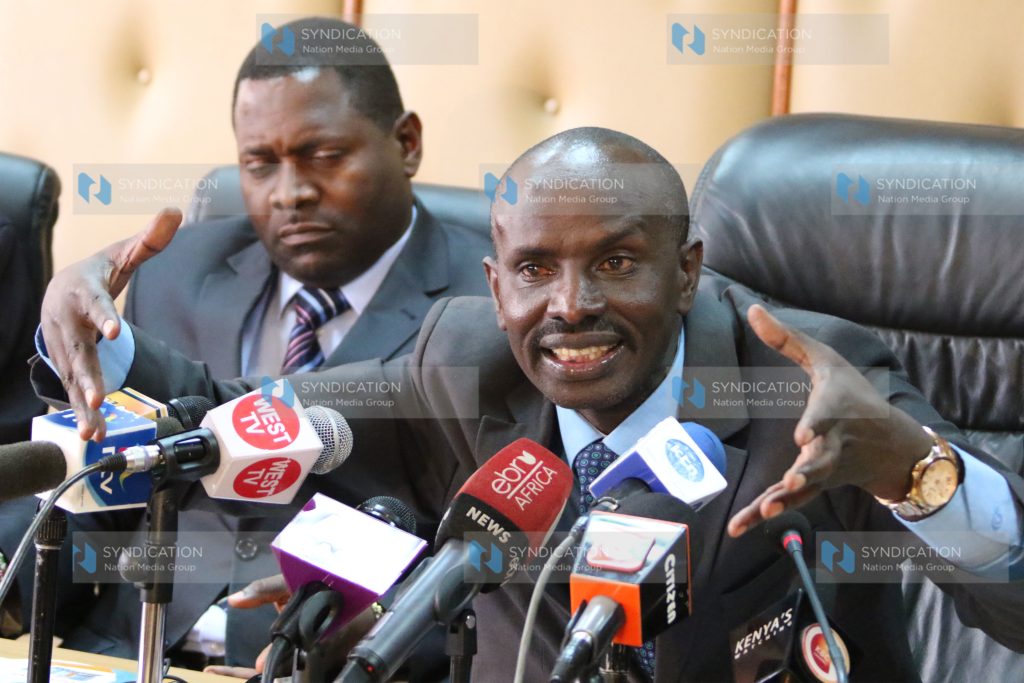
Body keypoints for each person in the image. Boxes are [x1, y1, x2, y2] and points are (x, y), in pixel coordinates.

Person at [33, 127, 1024, 681]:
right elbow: (241, 416)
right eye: (535, 269)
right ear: (494, 283)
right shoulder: (459, 357)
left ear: (686, 273)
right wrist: (96, 333)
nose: (573, 305)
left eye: (618, 263)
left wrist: (912, 470)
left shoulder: (806, 380)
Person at [10, 16, 490, 677]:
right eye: (259, 164)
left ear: (406, 143)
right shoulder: (181, 268)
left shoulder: (488, 310)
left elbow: (482, 575)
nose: (289, 193)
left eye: (323, 156)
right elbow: (114, 489)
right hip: (127, 651)